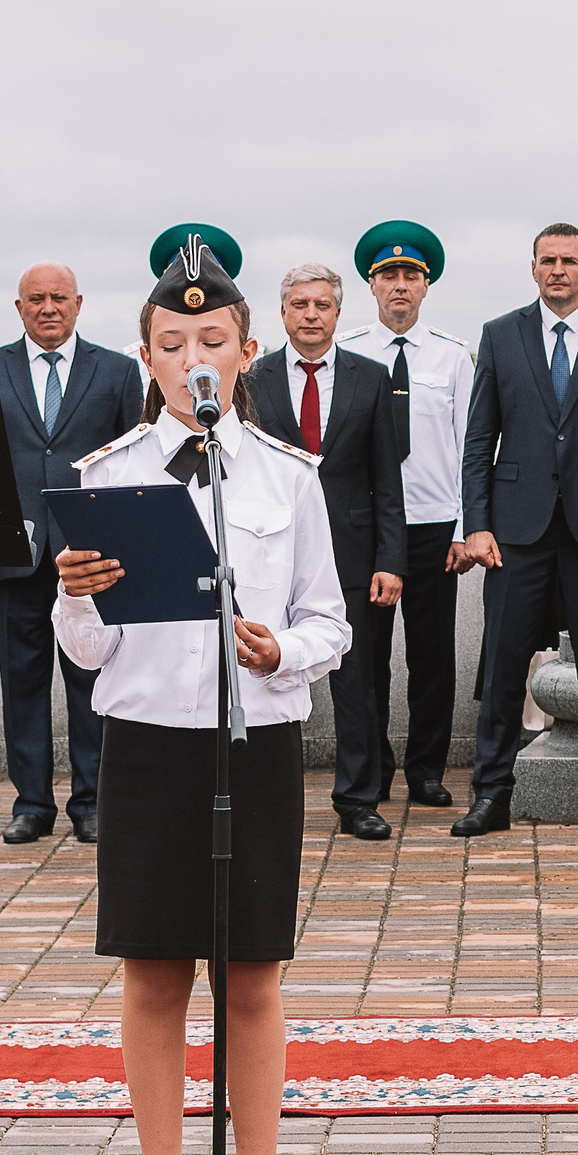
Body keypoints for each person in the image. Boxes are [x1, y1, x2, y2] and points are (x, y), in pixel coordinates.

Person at [55, 235, 348, 1155]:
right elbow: (84, 653)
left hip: (252, 743)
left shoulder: (286, 478)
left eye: (211, 340)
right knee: (153, 975)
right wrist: (77, 593)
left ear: (248, 348)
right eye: (172, 344)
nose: (194, 359)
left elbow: (330, 618)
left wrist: (284, 649)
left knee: (253, 977)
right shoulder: (107, 479)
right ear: (147, 358)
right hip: (145, 749)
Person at [460, 222, 578, 837]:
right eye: (547, 261)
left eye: (569, 261)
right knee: (503, 668)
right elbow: (478, 442)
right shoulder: (500, 335)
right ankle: (491, 794)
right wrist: (478, 526)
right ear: (534, 267)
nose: (558, 271)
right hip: (515, 531)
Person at [0, 259, 145, 846]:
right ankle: (31, 803)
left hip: (91, 558)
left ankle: (92, 801)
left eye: (59, 298)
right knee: (22, 682)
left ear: (78, 304)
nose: (48, 308)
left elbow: (131, 462)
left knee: (91, 679)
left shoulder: (117, 372)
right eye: (36, 299)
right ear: (19, 308)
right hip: (14, 555)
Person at [249, 262, 406, 841]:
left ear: (339, 313)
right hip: (271, 554)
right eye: (300, 305)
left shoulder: (372, 377)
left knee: (358, 680)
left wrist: (391, 560)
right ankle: (267, 794)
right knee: (265, 674)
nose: (311, 315)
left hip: (353, 556)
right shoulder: (255, 378)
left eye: (322, 305)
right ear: (283, 313)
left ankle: (358, 799)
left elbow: (388, 479)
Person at [338, 220, 475, 809]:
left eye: (410, 277)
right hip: (369, 528)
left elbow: (472, 444)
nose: (399, 286)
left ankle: (426, 769)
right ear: (371, 287)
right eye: (388, 275)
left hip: (434, 526)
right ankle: (374, 765)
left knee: (431, 656)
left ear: (426, 287)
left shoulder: (452, 356)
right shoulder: (347, 353)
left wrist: (468, 529)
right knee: (367, 658)